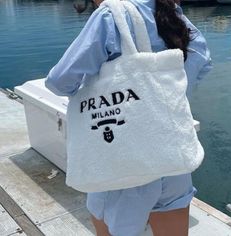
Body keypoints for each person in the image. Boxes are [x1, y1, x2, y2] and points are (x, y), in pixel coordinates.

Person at [45, 0, 212, 235]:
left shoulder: (109, 16)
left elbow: (59, 81)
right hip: (173, 156)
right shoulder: (174, 14)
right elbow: (201, 64)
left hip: (123, 162)